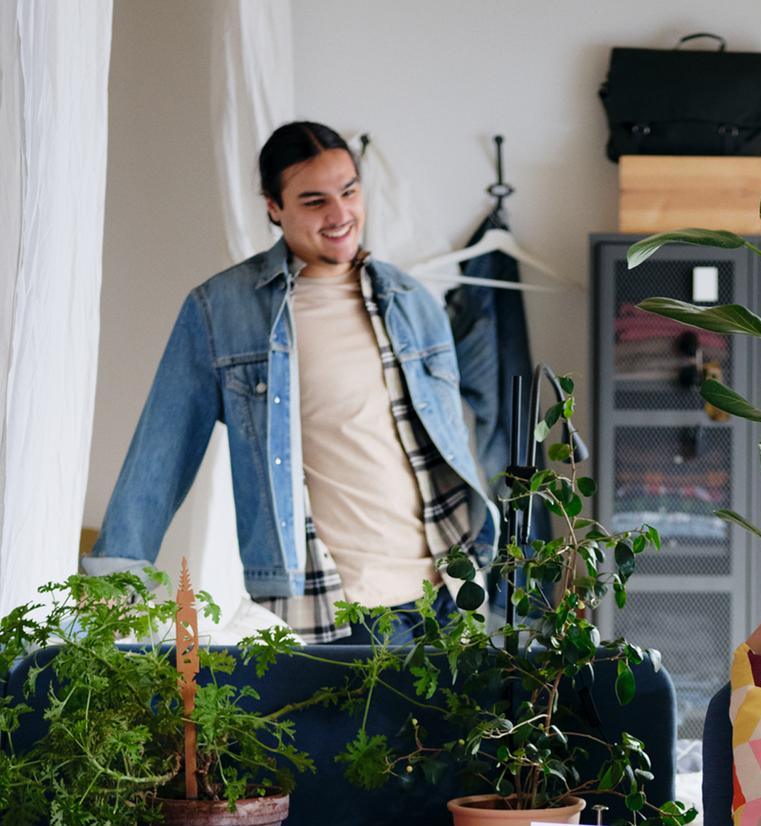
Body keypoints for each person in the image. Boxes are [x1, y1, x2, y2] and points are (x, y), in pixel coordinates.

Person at [82, 121, 498, 645]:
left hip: (447, 594)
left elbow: (447, 446)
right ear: (273, 207)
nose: (340, 214)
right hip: (332, 612)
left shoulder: (411, 301)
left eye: (349, 191)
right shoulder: (223, 311)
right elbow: (160, 454)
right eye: (314, 201)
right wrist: (114, 588)